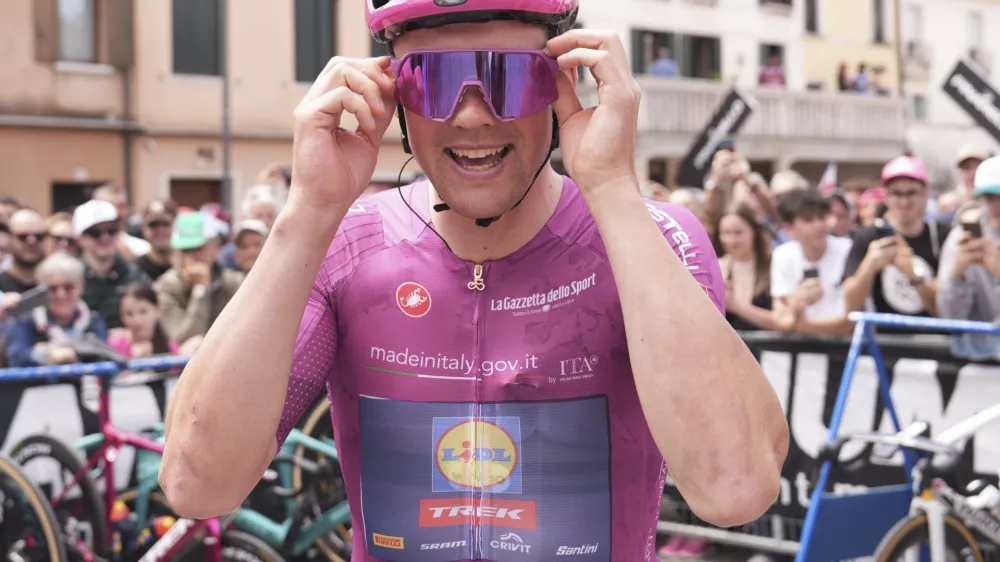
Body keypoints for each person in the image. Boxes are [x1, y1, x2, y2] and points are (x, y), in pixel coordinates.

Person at [160, 3, 788, 559]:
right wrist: (307, 215)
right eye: (430, 83)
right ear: (392, 96)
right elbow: (197, 484)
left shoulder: (652, 237)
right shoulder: (342, 243)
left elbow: (735, 490)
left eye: (507, 77)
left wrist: (613, 191)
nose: (471, 115)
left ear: (563, 79)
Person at [842, 156, 948, 324]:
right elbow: (851, 307)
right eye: (896, 193)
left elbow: (944, 310)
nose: (904, 202)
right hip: (884, 343)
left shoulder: (941, 236)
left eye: (911, 193)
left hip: (934, 341)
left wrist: (912, 274)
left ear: (925, 193)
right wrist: (869, 266)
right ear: (885, 195)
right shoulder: (868, 237)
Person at [937, 156, 1000, 359]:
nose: (996, 205)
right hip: (978, 361)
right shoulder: (960, 237)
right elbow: (950, 319)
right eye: (990, 196)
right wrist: (956, 276)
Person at [154, 211, 243, 350]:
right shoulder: (165, 287)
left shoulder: (234, 282)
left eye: (198, 249)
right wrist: (201, 290)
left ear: (216, 249)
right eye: (184, 250)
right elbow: (184, 339)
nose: (191, 258)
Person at [770, 190, 853, 335]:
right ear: (789, 229)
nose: (819, 225)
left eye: (821, 217)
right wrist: (795, 305)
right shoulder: (782, 255)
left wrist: (797, 324)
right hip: (803, 350)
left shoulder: (848, 250)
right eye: (808, 220)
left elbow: (850, 321)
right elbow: (781, 319)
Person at [6, 252, 107, 367]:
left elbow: (104, 356)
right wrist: (46, 355)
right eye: (52, 289)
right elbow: (16, 357)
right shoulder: (27, 321)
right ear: (41, 292)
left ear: (81, 287)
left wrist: (73, 354)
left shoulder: (93, 320)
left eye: (68, 287)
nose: (61, 295)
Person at [73, 200, 149, 329]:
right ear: (80, 239)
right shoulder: (70, 277)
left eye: (111, 230)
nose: (105, 237)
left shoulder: (134, 274)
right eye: (95, 233)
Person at [716, 205, 779, 331]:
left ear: (754, 232)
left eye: (738, 233)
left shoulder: (774, 266)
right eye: (726, 233)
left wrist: (735, 306)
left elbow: (782, 321)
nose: (731, 240)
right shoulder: (717, 268)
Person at [108, 282, 179, 359]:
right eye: (129, 314)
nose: (137, 320)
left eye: (143, 312)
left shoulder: (171, 349)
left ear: (158, 310)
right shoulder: (113, 347)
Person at [93, 184, 153, 259]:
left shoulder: (142, 250)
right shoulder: (83, 250)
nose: (117, 212)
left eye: (121, 206)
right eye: (110, 206)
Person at [0, 209, 48, 293]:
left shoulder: (57, 288)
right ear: (10, 239)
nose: (32, 242)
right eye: (23, 237)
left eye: (39, 236)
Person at [135, 199, 179, 281]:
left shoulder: (184, 267)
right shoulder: (135, 270)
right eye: (153, 225)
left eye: (165, 224)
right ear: (143, 229)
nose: (160, 231)